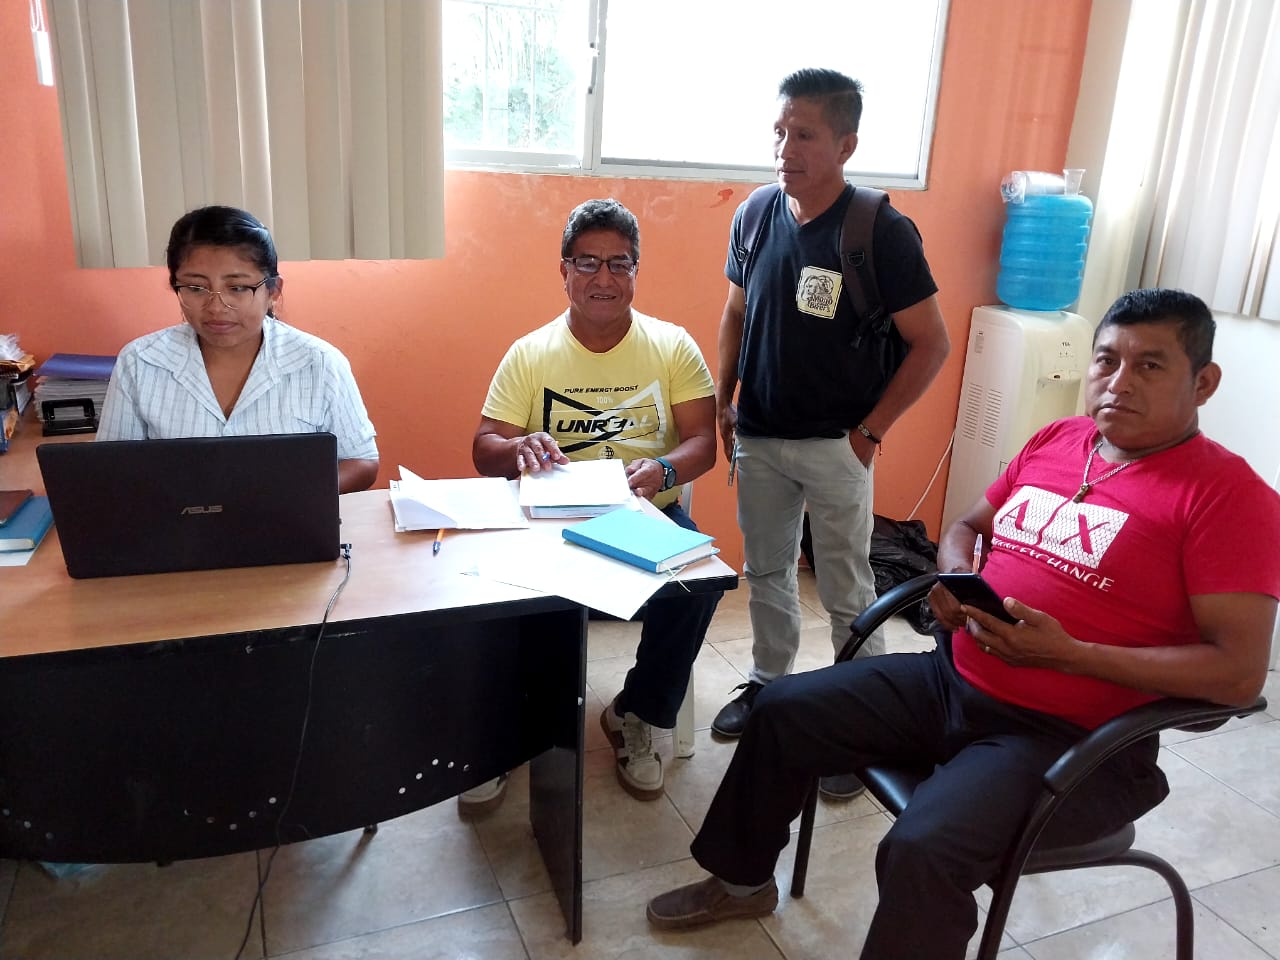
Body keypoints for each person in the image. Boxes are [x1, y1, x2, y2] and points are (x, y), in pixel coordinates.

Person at [646, 288, 1280, 958]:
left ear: (1203, 383)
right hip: (952, 681)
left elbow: (1238, 676)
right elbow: (967, 526)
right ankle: (742, 883)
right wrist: (952, 577)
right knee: (781, 709)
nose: (1119, 382)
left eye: (1149, 365)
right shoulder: (1061, 440)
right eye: (1106, 361)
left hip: (1071, 741)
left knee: (923, 848)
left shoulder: (1229, 499)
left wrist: (1070, 655)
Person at [711, 68, 951, 804]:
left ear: (846, 144)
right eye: (780, 131)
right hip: (759, 437)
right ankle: (768, 685)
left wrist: (869, 433)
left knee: (847, 585)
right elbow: (735, 313)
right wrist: (724, 400)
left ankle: (859, 721)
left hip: (838, 445)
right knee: (767, 571)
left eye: (805, 135)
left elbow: (931, 344)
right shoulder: (756, 214)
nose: (786, 148)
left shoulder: (879, 230)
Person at [463, 198, 722, 811]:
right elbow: (483, 448)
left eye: (619, 263)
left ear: (635, 271)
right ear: (564, 270)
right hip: (548, 525)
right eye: (587, 263)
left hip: (644, 517)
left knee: (700, 583)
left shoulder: (672, 346)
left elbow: (704, 443)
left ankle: (637, 711)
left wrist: (663, 469)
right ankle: (508, 731)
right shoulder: (530, 353)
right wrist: (519, 447)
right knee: (487, 590)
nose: (604, 278)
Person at [98, 205, 379, 493]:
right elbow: (110, 468)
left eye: (238, 288)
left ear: (273, 291)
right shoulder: (140, 362)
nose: (216, 307)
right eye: (196, 288)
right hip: (176, 519)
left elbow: (361, 461)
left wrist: (292, 494)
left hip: (286, 517)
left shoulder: (319, 362)